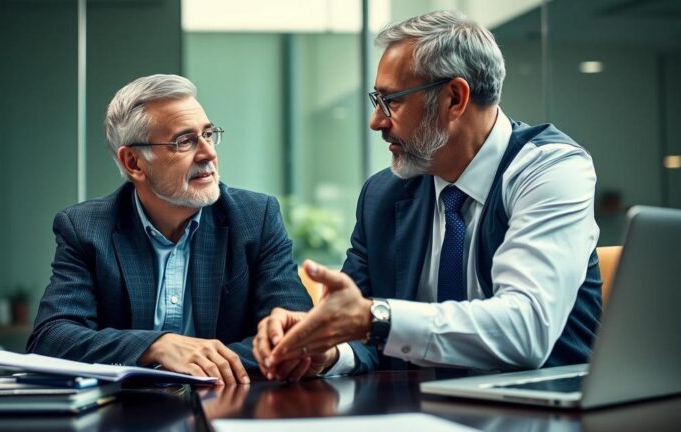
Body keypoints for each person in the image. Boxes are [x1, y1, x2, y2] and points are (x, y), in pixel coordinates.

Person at [254, 11, 602, 380]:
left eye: (391, 101)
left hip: (545, 409)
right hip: (417, 411)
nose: (376, 121)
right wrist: (326, 349)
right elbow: (359, 329)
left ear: (454, 97)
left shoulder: (550, 170)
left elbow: (526, 330)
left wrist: (374, 319)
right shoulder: (383, 194)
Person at [27, 74, 317, 385]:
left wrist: (201, 362)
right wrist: (156, 346)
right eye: (185, 141)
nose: (208, 154)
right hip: (125, 415)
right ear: (134, 162)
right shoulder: (86, 228)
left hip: (230, 405)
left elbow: (294, 336)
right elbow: (51, 337)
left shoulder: (254, 218)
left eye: (208, 134)